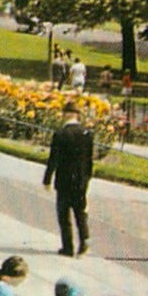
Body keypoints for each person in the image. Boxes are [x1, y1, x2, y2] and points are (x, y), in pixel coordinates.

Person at [43, 100, 94, 257]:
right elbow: (89, 160)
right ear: (78, 115)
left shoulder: (61, 134)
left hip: (64, 180)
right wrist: (86, 179)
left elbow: (54, 159)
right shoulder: (87, 134)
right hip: (80, 180)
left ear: (66, 114)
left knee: (64, 215)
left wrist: (47, 179)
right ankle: (84, 241)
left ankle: (68, 247)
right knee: (80, 212)